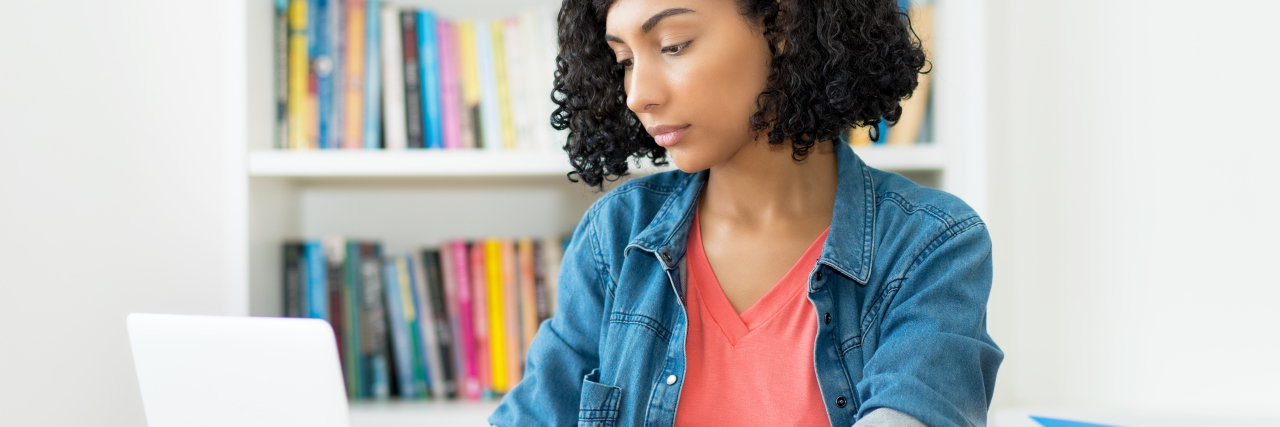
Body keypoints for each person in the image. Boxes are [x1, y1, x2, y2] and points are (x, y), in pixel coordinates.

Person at [489, 0, 1002, 425]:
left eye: (673, 45)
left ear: (783, 26)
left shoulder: (931, 244)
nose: (639, 95)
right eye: (624, 61)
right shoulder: (616, 235)